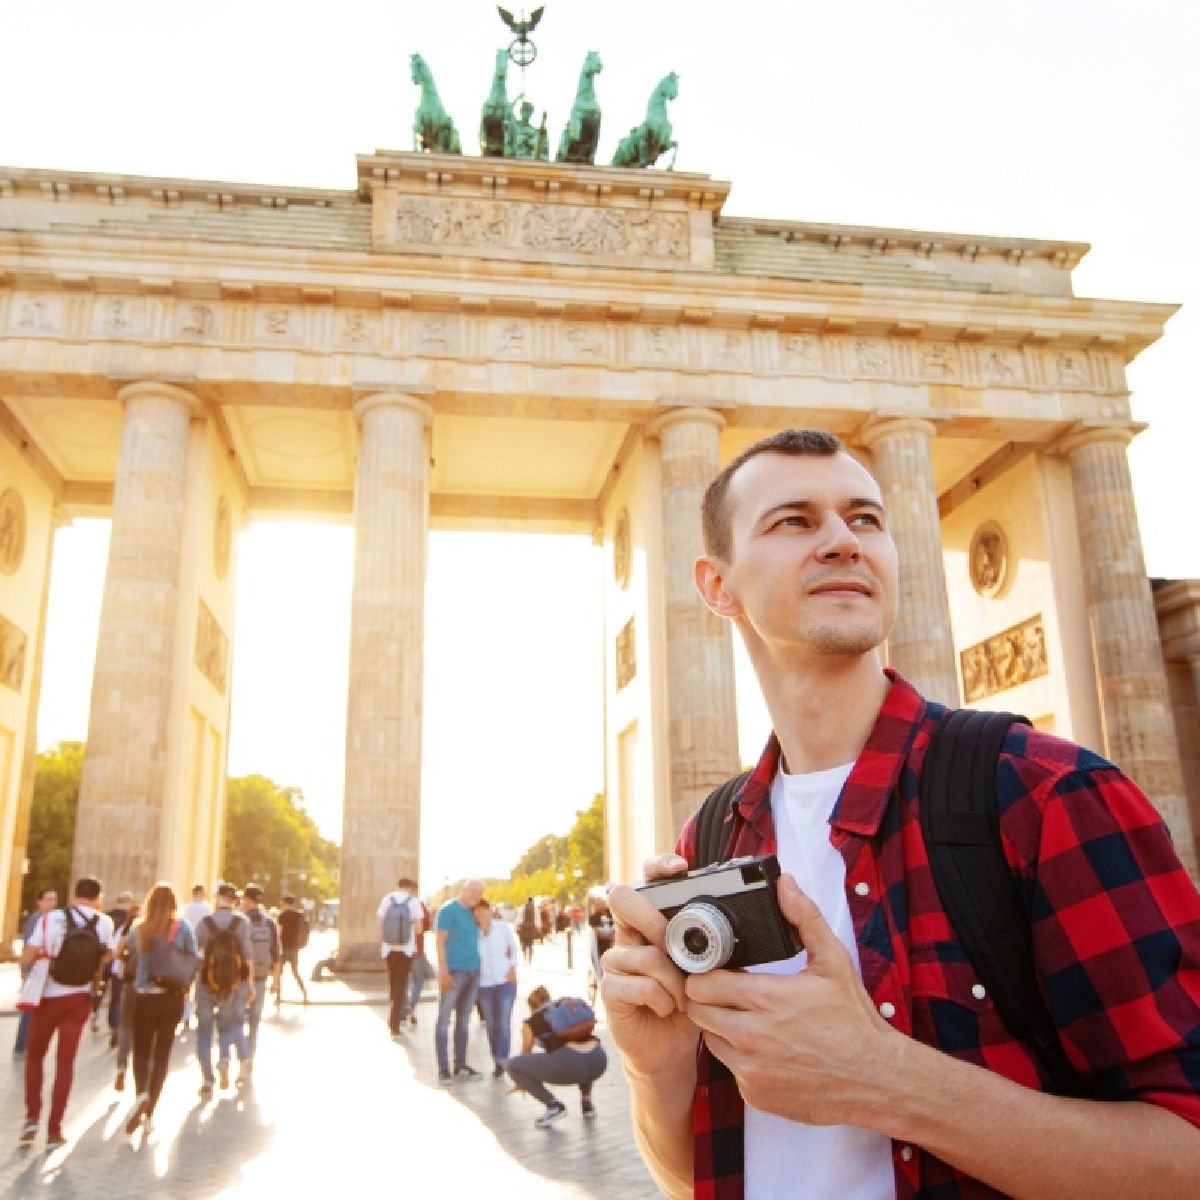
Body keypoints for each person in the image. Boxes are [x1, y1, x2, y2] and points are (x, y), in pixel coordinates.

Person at [601, 428, 1200, 1199]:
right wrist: (655, 1069)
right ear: (716, 585)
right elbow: (699, 1180)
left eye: (866, 519)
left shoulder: (1043, 795)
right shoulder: (715, 841)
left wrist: (882, 1078)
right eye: (794, 520)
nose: (843, 541)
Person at [20, 877, 115, 1149]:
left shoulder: (52, 919)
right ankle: (54, 1131)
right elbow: (107, 956)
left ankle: (31, 1117)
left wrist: (32, 965)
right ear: (98, 898)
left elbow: (28, 955)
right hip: (80, 997)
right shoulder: (104, 923)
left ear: (74, 895)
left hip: (48, 996)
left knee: (35, 1055)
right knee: (65, 1063)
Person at [122, 882, 198, 1135]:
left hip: (144, 996)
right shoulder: (183, 928)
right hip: (172, 997)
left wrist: (142, 983)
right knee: (162, 1054)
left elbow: (133, 961)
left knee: (141, 1052)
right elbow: (193, 958)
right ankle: (150, 1114)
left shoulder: (139, 929)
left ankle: (141, 1093)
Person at [506, 985, 607, 1128]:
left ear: (532, 1006)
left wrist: (522, 1083)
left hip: (570, 1065)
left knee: (514, 1065)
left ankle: (554, 1106)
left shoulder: (531, 1022)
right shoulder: (567, 1012)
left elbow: (525, 1056)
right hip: (598, 1060)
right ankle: (587, 1104)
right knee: (580, 1054)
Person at [194, 882, 253, 1098]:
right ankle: (224, 1059)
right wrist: (251, 985)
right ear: (234, 901)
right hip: (233, 984)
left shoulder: (204, 923)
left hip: (206, 983)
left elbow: (193, 953)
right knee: (228, 1024)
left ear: (217, 899)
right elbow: (247, 956)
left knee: (204, 1032)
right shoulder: (242, 923)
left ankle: (207, 1081)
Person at [434, 878, 485, 1084]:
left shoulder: (475, 912)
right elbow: (439, 941)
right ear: (463, 890)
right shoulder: (448, 910)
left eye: (480, 893)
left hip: (473, 972)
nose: (476, 895)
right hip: (455, 972)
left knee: (464, 1021)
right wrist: (444, 972)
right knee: (444, 1020)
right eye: (473, 891)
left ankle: (460, 1064)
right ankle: (443, 1069)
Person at [473, 897, 519, 1078]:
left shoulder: (501, 928)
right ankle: (496, 1058)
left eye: (483, 910)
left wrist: (513, 967)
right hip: (484, 984)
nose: (480, 914)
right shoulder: (473, 933)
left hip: (504, 981)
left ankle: (503, 1060)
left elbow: (513, 948)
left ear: (489, 910)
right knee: (492, 1024)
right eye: (476, 912)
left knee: (504, 1022)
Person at [239, 883, 280, 1080]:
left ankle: (238, 1056)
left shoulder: (238, 921)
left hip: (238, 979)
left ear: (246, 900)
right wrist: (277, 982)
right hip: (261, 978)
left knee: (236, 1020)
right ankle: (248, 1059)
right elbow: (276, 954)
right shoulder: (269, 923)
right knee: (254, 1022)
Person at [12, 888, 57, 1057]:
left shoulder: (51, 919)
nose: (52, 903)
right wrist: (24, 971)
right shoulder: (37, 919)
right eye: (48, 899)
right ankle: (23, 1044)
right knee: (30, 1009)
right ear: (39, 902)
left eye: (54, 899)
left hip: (42, 969)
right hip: (34, 970)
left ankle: (28, 1043)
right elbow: (28, 946)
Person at [377, 876, 423, 1040]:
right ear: (410, 887)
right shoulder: (414, 901)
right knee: (401, 985)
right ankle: (394, 1022)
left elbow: (379, 923)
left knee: (392, 982)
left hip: (389, 949)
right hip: (405, 949)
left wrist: (386, 938)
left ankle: (394, 1013)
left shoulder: (387, 899)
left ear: (397, 885)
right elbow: (418, 928)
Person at [110, 900, 140, 1091]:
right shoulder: (160, 930)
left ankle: (122, 1067)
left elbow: (117, 952)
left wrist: (128, 960)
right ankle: (142, 1080)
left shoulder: (132, 929)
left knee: (126, 1026)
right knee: (147, 1032)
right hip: (155, 987)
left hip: (131, 983)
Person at [99, 890, 134, 1041]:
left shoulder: (108, 917)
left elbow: (112, 949)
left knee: (116, 998)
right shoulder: (134, 924)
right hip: (130, 969)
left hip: (116, 966)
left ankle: (114, 1026)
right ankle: (120, 1029)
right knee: (124, 1000)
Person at [179, 884, 212, 1029]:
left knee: (186, 983)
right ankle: (197, 1011)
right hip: (203, 951)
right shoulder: (207, 909)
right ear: (201, 893)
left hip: (186, 951)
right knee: (200, 984)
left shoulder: (186, 908)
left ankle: (185, 1014)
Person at [275, 894, 309, 1007]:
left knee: (279, 973)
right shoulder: (300, 915)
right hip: (295, 948)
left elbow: (278, 931)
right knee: (295, 972)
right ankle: (304, 994)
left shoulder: (282, 915)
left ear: (284, 903)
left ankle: (278, 997)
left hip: (283, 948)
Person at [406, 894, 433, 1026]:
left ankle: (402, 1008)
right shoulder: (419, 904)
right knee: (418, 980)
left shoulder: (393, 901)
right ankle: (411, 1005)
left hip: (400, 949)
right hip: (417, 948)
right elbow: (427, 924)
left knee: (402, 980)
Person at [517, 896, 537, 964]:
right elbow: (537, 918)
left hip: (524, 928)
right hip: (531, 928)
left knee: (524, 944)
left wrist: (518, 926)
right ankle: (530, 960)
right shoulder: (535, 908)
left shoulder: (522, 908)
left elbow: (519, 918)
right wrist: (538, 927)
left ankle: (525, 958)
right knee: (531, 944)